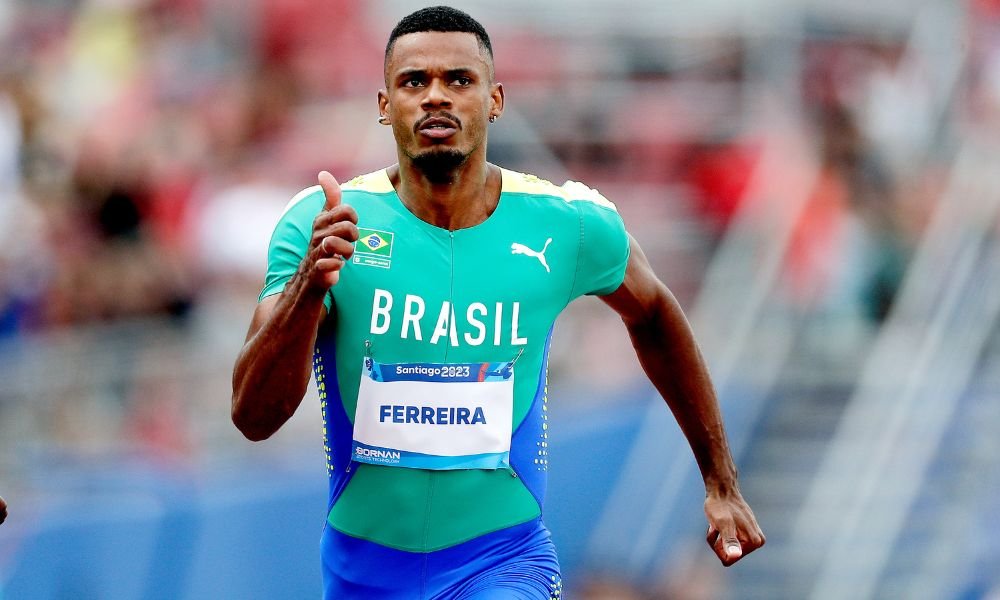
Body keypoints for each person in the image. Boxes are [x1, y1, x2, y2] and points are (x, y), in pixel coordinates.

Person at [232, 6, 764, 599]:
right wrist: (309, 287)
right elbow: (254, 417)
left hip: (503, 561)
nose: (437, 97)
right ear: (385, 105)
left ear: (495, 100)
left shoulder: (568, 224)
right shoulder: (322, 225)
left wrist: (720, 478)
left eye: (460, 80)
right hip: (364, 572)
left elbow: (657, 314)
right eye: (414, 82)